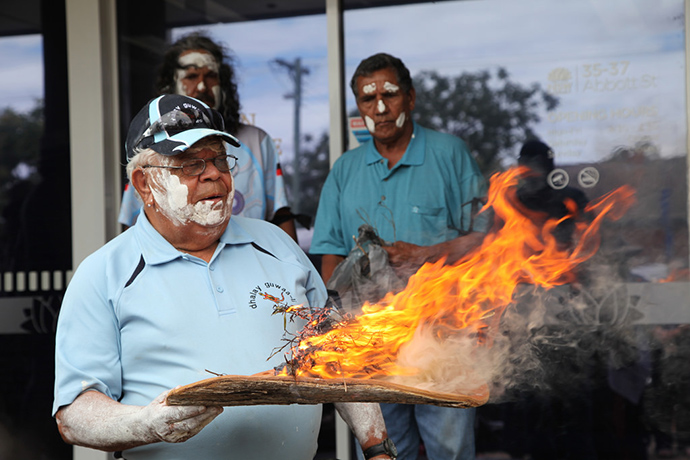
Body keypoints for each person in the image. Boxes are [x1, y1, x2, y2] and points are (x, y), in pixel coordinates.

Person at [53, 94, 396, 460]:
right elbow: (74, 413)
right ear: (144, 185)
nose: (214, 172)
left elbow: (337, 351)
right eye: (189, 164)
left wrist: (377, 448)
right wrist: (148, 423)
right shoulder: (104, 274)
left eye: (219, 159)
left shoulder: (277, 244)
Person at [310, 52, 488, 460]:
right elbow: (331, 257)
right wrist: (340, 331)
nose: (379, 107)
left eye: (389, 95)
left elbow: (486, 240)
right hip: (372, 342)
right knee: (385, 451)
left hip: (444, 337)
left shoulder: (449, 154)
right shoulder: (345, 170)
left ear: (410, 98)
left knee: (451, 449)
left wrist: (427, 254)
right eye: (367, 99)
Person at [119, 31, 299, 242]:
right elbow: (132, 222)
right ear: (171, 85)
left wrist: (290, 262)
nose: (203, 86)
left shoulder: (257, 141)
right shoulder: (153, 146)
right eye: (191, 76)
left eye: (211, 76)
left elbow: (280, 215)